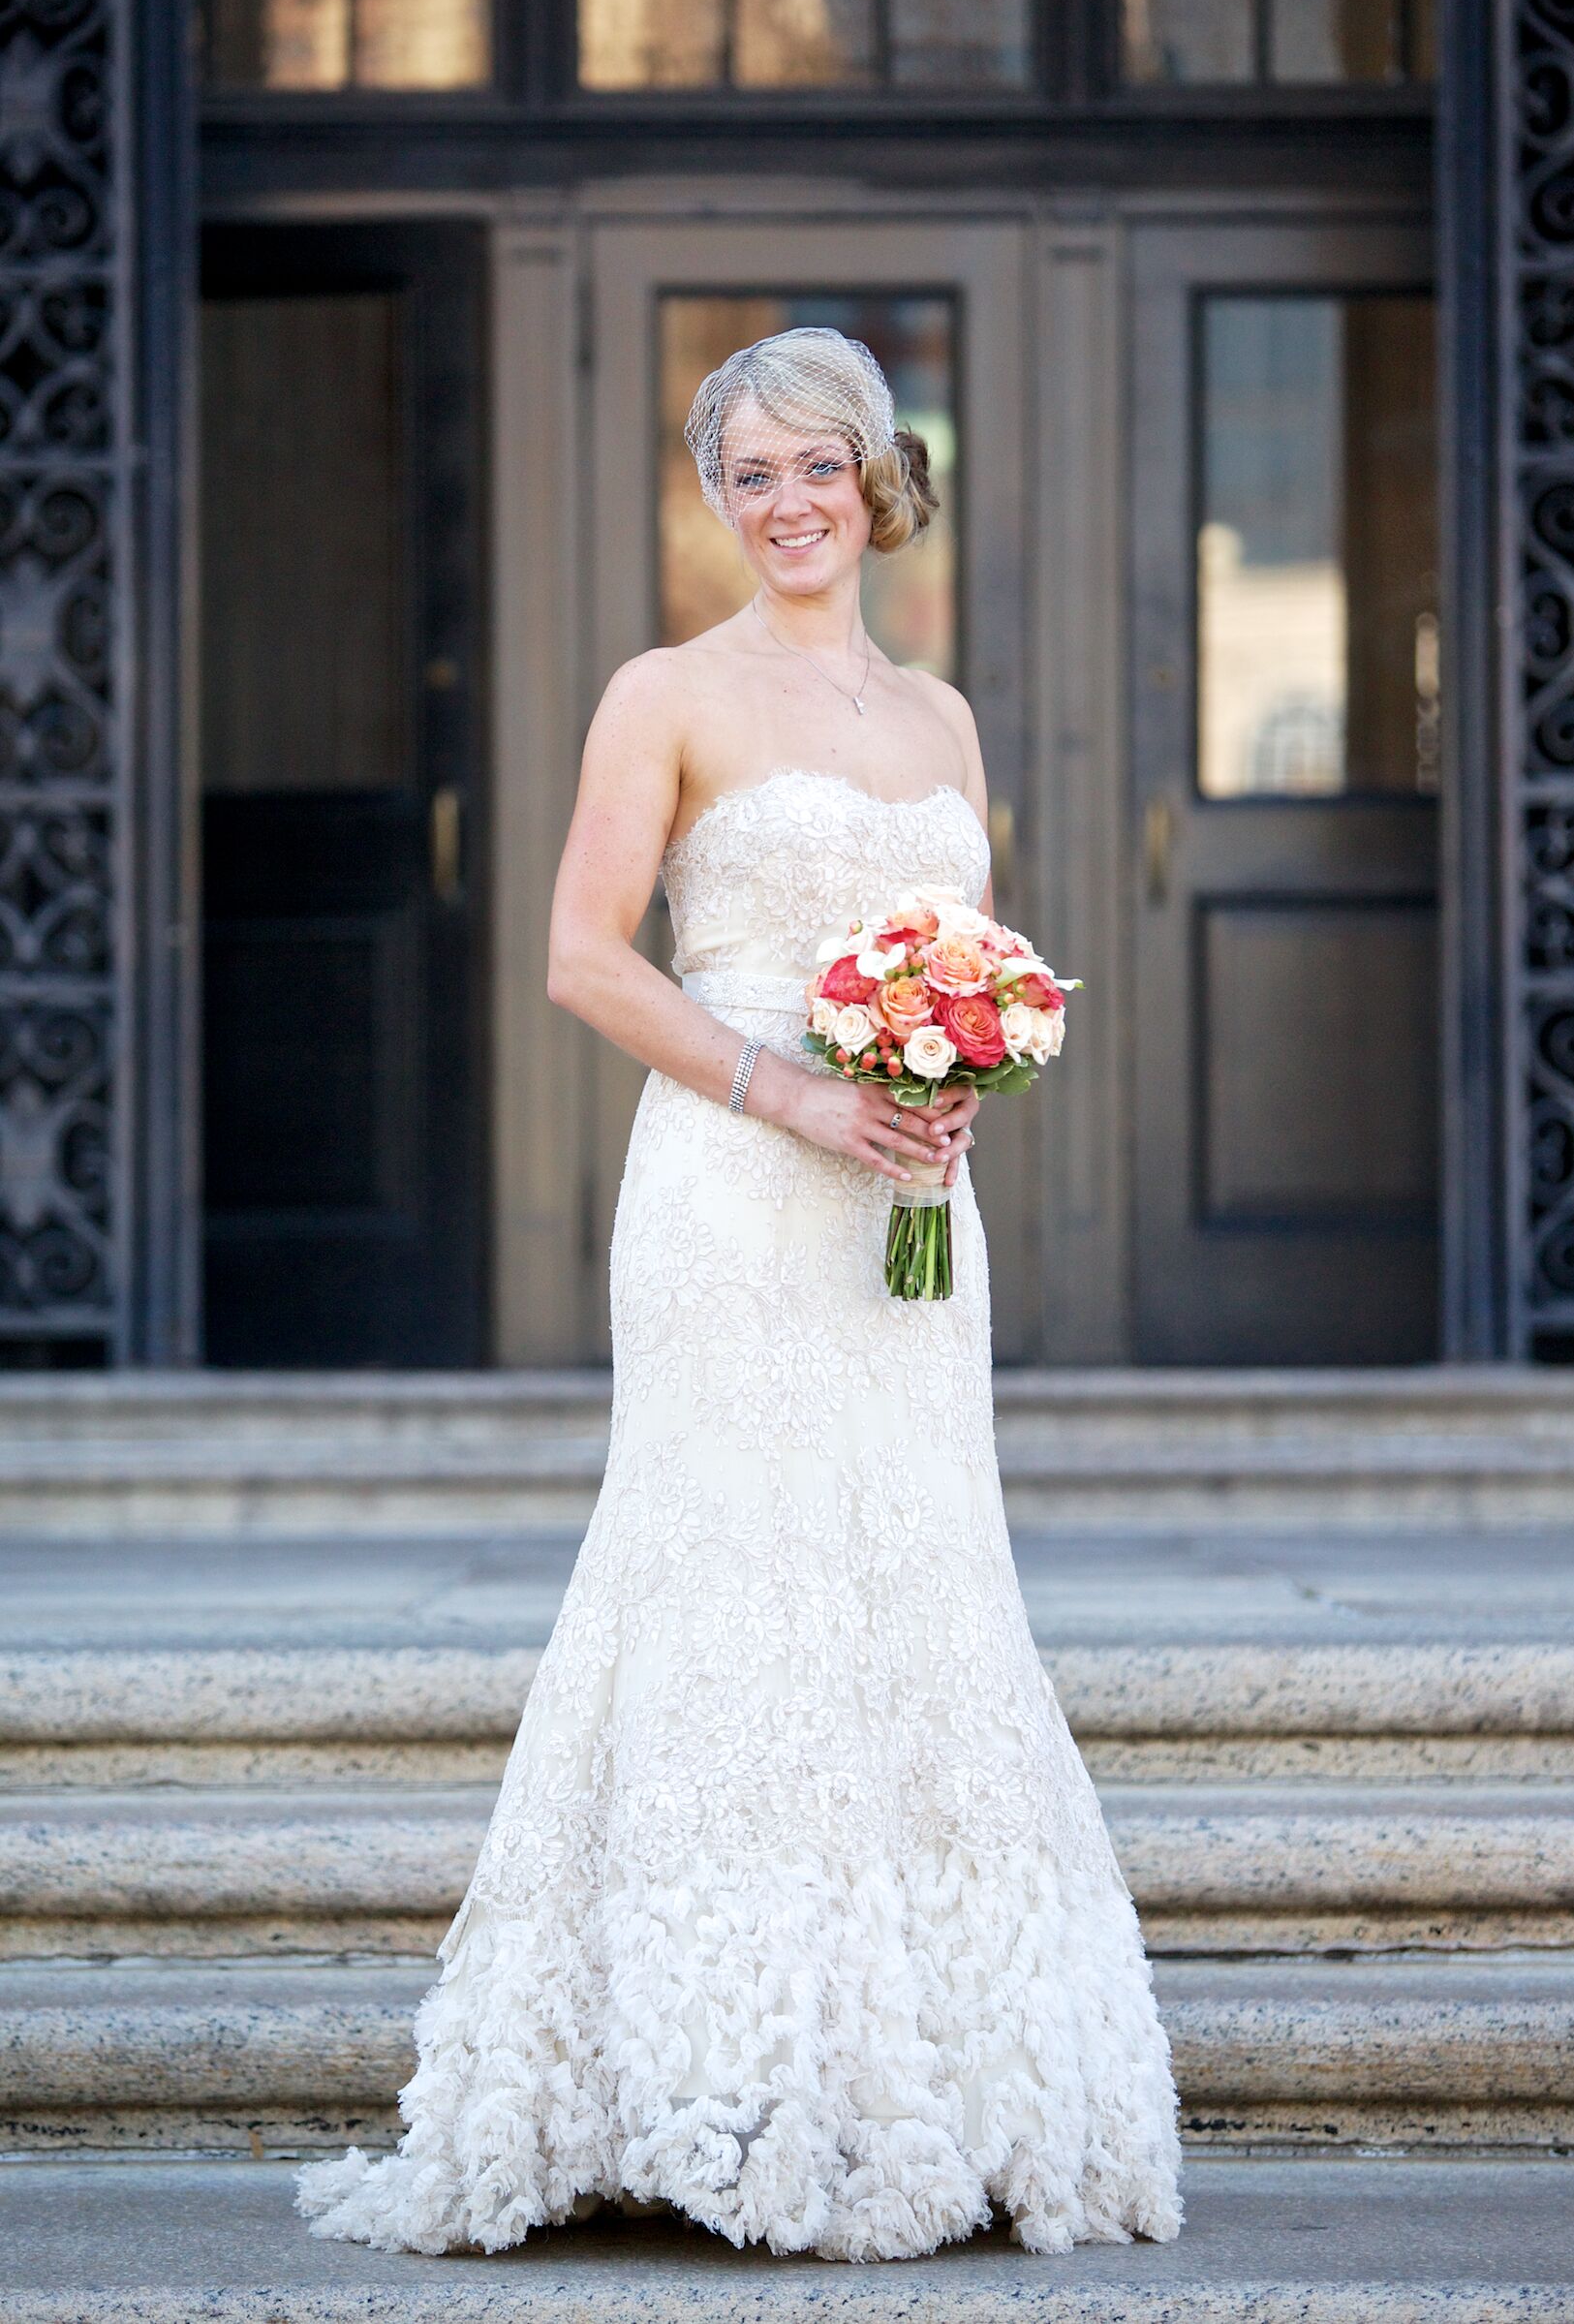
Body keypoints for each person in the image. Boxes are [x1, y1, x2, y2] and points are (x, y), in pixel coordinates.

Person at [296, 326, 1182, 2262]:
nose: (787, 503)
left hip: (900, 1211)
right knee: (729, 1576)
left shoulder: (941, 717)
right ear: (717, 500)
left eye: (816, 465)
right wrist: (789, 1081)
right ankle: (701, 2073)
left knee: (912, 1574)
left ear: (883, 474)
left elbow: (958, 958)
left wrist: (948, 1088)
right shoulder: (665, 692)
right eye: (748, 473)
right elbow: (582, 957)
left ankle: (931, 2068)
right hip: (729, 1180)